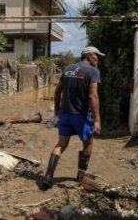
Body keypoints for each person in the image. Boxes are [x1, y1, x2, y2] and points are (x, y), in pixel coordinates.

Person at [42, 46, 105, 189]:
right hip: (81, 116)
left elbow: (58, 91)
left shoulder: (68, 68)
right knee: (88, 144)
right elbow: (93, 96)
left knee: (61, 144)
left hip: (64, 115)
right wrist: (97, 120)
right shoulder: (93, 71)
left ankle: (48, 176)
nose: (98, 59)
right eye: (96, 56)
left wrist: (57, 112)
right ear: (89, 56)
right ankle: (81, 176)